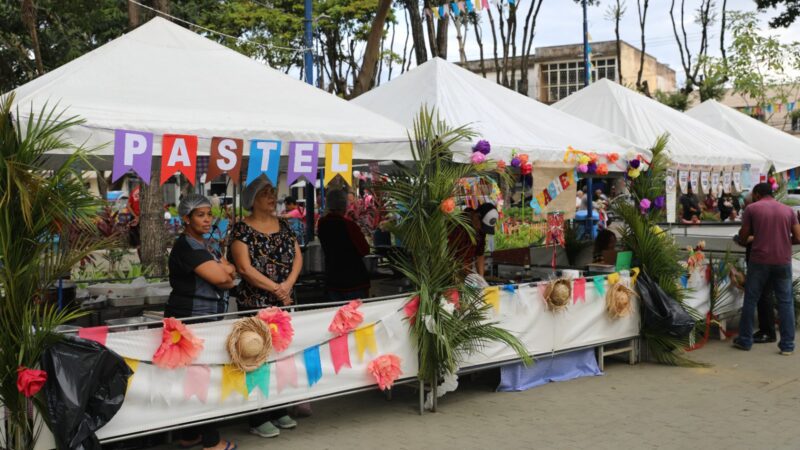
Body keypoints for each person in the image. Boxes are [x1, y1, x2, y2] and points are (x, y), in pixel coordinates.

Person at [229, 176, 301, 438]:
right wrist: (277, 289)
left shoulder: (283, 225)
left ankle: (278, 408)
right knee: (256, 359)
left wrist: (288, 285)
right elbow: (245, 269)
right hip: (255, 305)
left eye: (273, 193)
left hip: (284, 303)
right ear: (252, 200)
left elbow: (297, 257)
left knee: (281, 357)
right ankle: (257, 416)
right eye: (266, 194)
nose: (272, 197)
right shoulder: (241, 229)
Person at [166, 194, 237, 450]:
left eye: (209, 214)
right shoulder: (187, 247)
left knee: (193, 375)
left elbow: (230, 271)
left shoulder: (206, 245)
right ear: (186, 219)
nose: (207, 220)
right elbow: (222, 278)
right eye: (200, 215)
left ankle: (189, 434)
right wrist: (225, 274)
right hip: (192, 318)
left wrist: (226, 273)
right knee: (201, 376)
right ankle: (212, 442)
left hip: (205, 317)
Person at [733, 183, 800, 355]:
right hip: (782, 261)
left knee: (750, 299)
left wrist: (744, 239)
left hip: (759, 260)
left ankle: (745, 340)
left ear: (756, 194)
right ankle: (787, 346)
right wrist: (783, 240)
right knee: (785, 302)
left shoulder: (752, 209)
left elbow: (743, 235)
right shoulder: (788, 211)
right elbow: (798, 237)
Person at [734, 194, 775, 344]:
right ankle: (766, 331)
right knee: (764, 297)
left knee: (759, 297)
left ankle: (763, 333)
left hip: (760, 261)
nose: (744, 206)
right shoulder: (757, 214)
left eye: (746, 203)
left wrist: (745, 239)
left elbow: (748, 237)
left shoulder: (755, 214)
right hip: (765, 259)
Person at [318, 189, 371, 301]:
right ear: (344, 205)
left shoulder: (322, 224)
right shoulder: (349, 225)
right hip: (353, 281)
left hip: (332, 279)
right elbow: (365, 250)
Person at [448, 203, 498, 277]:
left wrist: (481, 278)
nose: (482, 230)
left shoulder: (480, 229)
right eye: (482, 226)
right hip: (451, 274)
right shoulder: (457, 225)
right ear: (476, 216)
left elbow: (480, 254)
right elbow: (453, 258)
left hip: (467, 274)